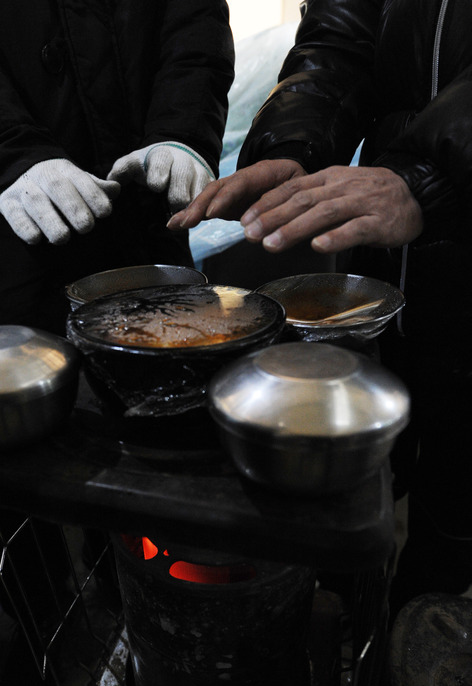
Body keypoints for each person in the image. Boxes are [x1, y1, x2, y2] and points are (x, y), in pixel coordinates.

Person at [0, 0, 234, 686]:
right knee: (15, 439)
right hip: (0, 211)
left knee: (156, 415)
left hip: (137, 187)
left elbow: (192, 23)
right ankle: (40, 631)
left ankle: (142, 592)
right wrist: (7, 154)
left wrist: (182, 132)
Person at [169, 0, 472, 614]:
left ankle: (418, 651)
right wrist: (295, 143)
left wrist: (431, 174)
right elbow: (340, 39)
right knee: (362, 480)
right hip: (389, 263)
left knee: (457, 506)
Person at [0, 0, 234, 342]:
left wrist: (183, 129)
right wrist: (4, 152)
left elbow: (197, 16)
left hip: (143, 203)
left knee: (167, 362)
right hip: (4, 220)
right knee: (21, 379)